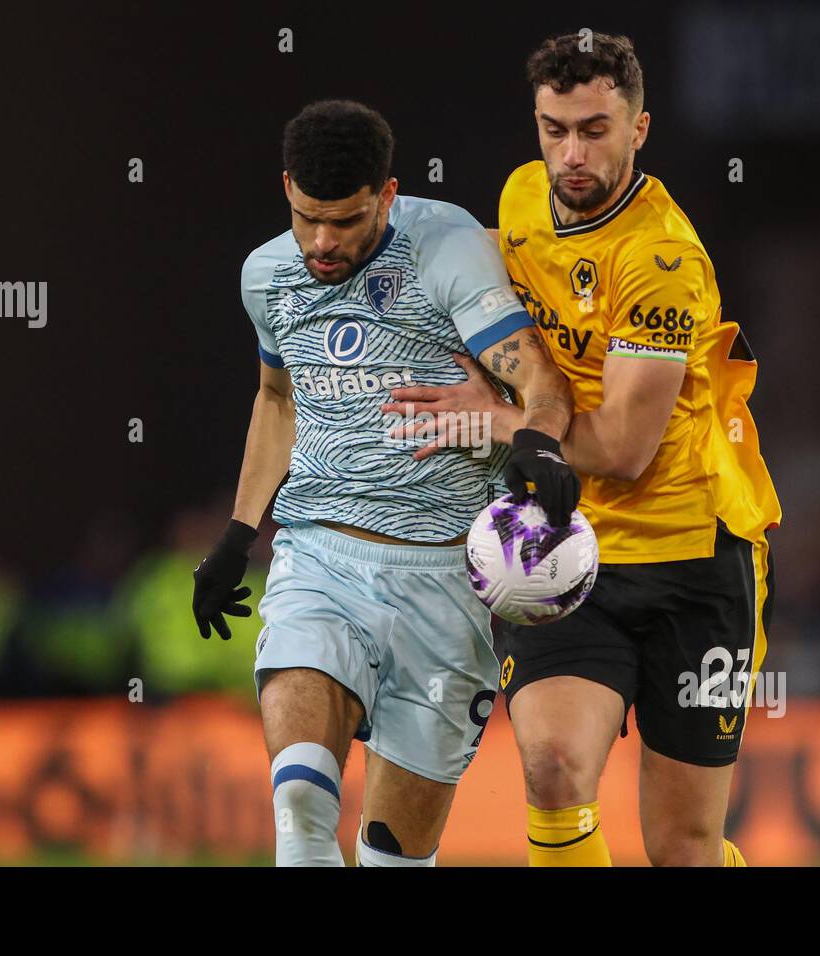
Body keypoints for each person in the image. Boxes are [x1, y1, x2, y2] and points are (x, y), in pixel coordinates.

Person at [383, 34, 782, 866]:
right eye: (553, 128)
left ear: (640, 129)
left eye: (595, 130)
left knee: (683, 848)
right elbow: (498, 273)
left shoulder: (662, 260)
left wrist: (501, 418)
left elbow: (628, 449)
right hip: (565, 550)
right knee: (553, 765)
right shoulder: (525, 195)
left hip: (693, 560)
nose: (571, 153)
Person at [191, 100, 580, 866]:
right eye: (307, 218)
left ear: (390, 195)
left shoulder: (450, 250)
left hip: (446, 582)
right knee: (301, 804)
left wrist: (538, 440)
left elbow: (539, 374)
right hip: (320, 561)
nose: (322, 242)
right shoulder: (266, 276)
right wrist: (239, 534)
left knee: (393, 857)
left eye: (346, 221)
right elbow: (277, 397)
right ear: (287, 191)